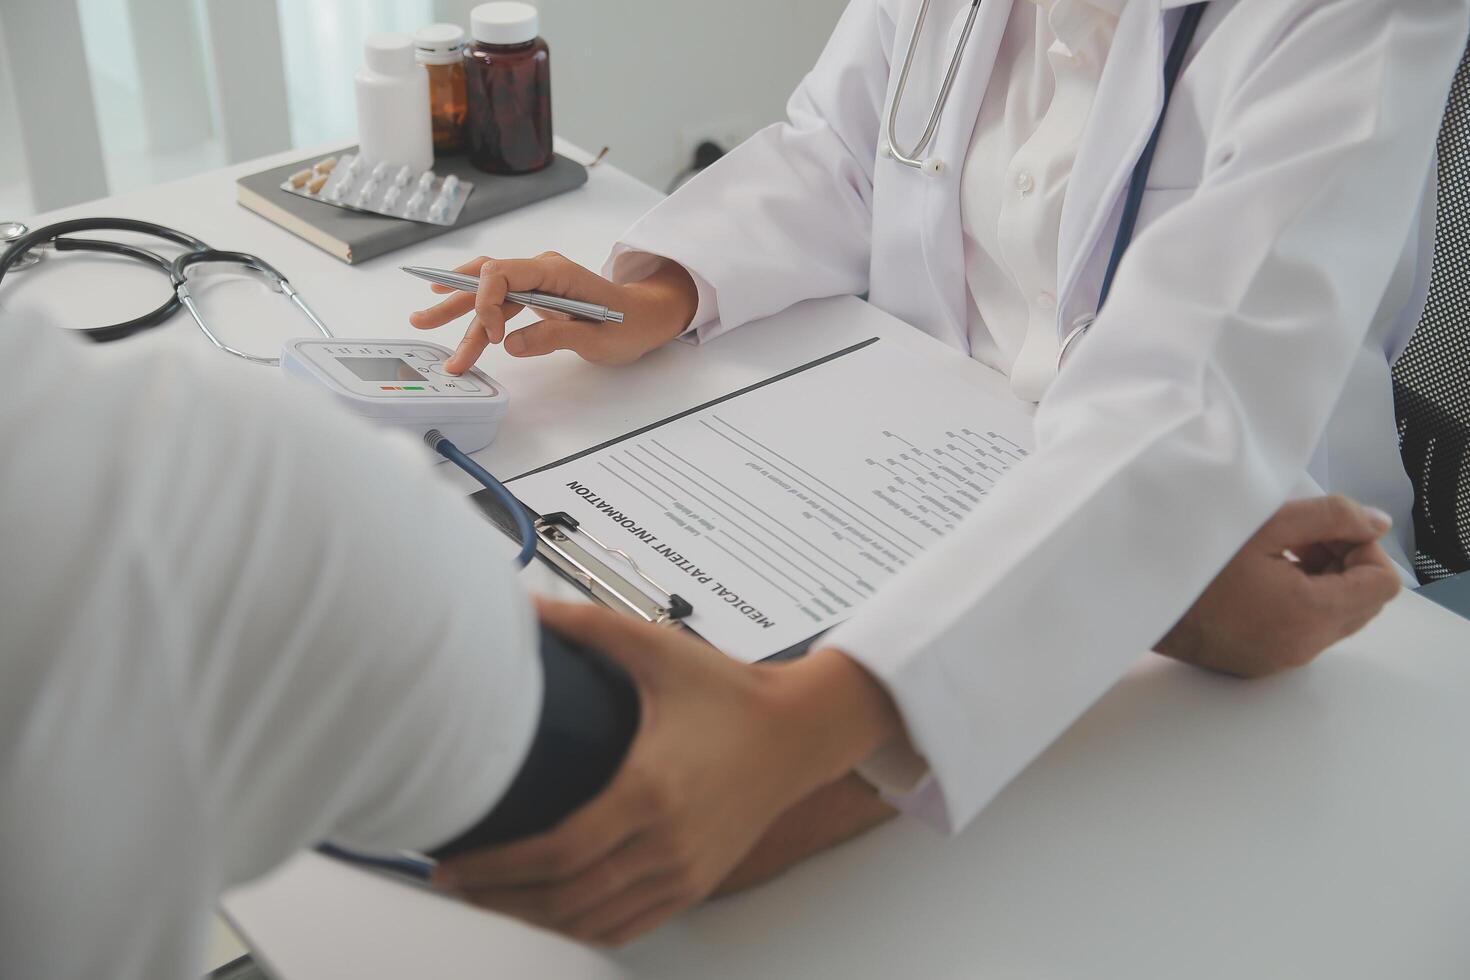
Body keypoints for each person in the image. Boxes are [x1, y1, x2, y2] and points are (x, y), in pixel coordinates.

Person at [408, 0, 1462, 944]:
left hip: (1253, 580)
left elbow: (1176, 415)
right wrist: (662, 288)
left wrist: (803, 731)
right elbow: (837, 151)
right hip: (920, 478)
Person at [0, 320, 1396, 975]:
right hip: (970, 482)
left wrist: (1092, 602)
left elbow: (681, 808)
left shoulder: (181, 505)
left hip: (1184, 513)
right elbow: (666, 813)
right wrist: (1097, 616)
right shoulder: (192, 510)